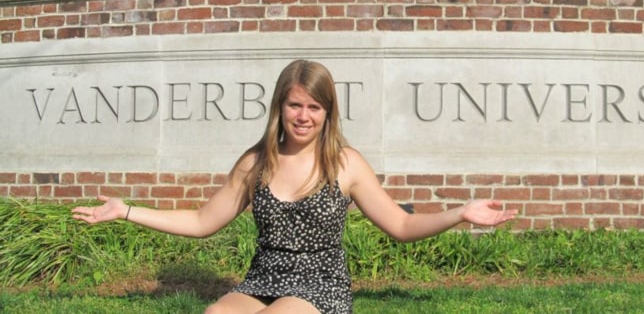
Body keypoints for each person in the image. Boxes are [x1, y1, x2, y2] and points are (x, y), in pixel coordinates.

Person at [72, 59, 518, 314]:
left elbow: (401, 225)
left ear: (328, 113)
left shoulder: (346, 164)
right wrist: (126, 210)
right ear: (280, 107)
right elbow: (201, 220)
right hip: (262, 279)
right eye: (295, 105)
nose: (304, 116)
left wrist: (460, 213)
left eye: (315, 107)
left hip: (320, 285)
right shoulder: (255, 163)